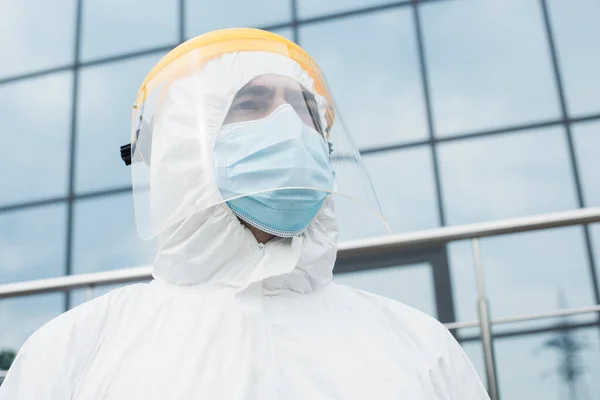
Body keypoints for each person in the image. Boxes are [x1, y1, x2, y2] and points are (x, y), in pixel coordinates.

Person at [0, 28, 489, 399]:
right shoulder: (76, 350)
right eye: (252, 104)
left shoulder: (420, 346)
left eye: (303, 111)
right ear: (182, 151)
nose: (288, 127)